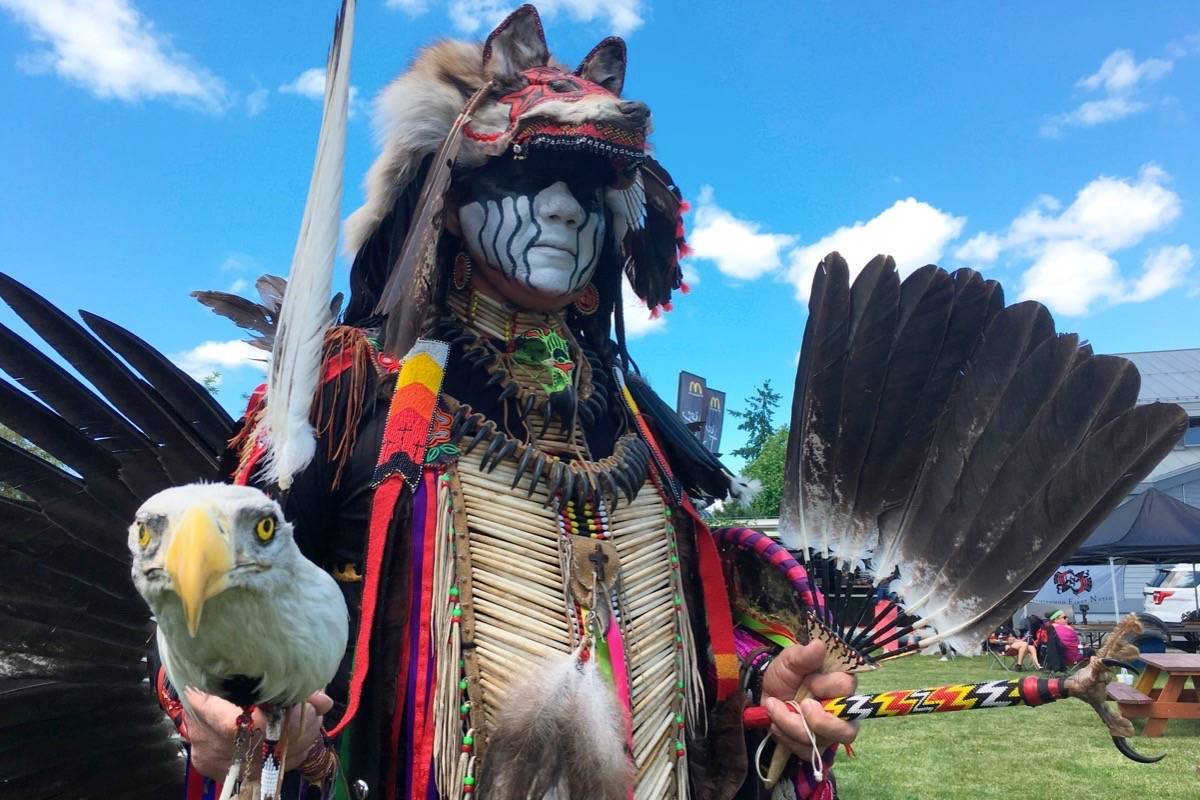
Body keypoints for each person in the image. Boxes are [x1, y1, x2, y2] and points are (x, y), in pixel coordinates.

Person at [170, 7, 857, 799]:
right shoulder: (353, 399)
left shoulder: (637, 436)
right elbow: (227, 613)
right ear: (449, 200)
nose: (564, 208)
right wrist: (215, 710)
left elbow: (692, 646)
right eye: (526, 176)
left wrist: (764, 685)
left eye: (590, 188)